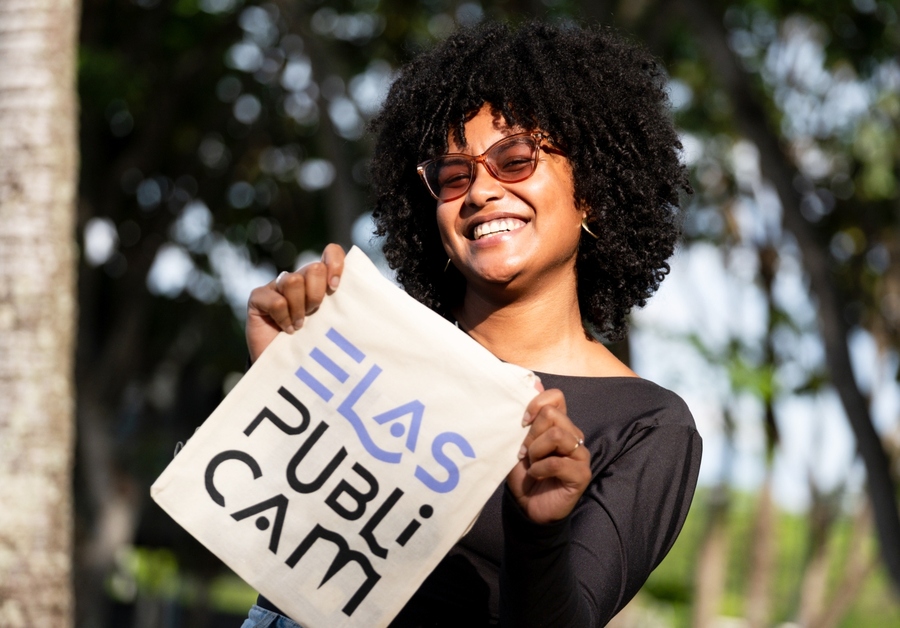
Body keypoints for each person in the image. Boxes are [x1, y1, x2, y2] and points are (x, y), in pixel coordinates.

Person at [241, 19, 701, 628]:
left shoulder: (647, 426)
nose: (481, 191)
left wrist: (538, 532)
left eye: (515, 159)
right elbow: (285, 536)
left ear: (592, 189)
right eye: (454, 175)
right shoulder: (369, 352)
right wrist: (280, 378)